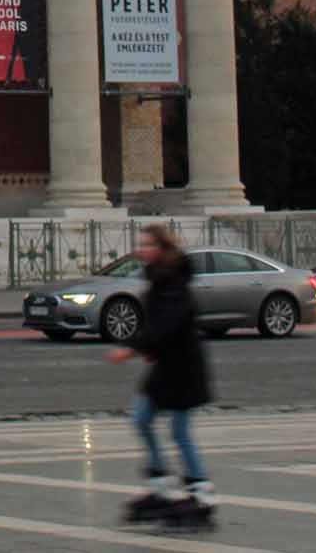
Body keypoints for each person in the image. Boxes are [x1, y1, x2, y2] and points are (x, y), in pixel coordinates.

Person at [109, 224, 215, 528]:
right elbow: (157, 325)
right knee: (141, 418)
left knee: (179, 431)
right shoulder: (159, 279)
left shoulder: (173, 283)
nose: (142, 249)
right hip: (167, 368)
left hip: (183, 370)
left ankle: (201, 494)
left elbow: (166, 325)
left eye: (147, 244)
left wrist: (130, 349)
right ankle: (161, 487)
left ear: (162, 248)